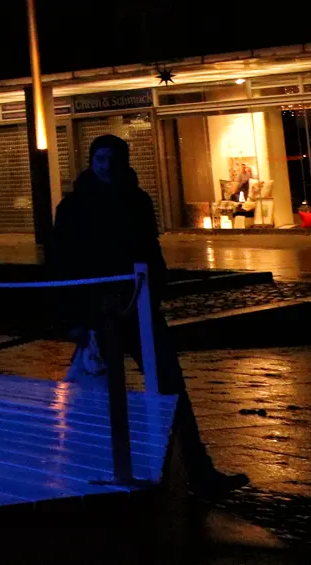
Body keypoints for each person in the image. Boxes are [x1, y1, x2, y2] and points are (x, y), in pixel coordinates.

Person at [53, 134, 248, 497]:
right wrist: (76, 320)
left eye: (112, 158)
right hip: (100, 312)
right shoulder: (75, 206)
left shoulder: (136, 200)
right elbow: (63, 266)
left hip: (139, 306)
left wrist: (154, 288)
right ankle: (99, 467)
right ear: (91, 161)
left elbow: (150, 248)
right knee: (99, 395)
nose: (106, 164)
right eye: (100, 158)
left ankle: (196, 469)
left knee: (172, 387)